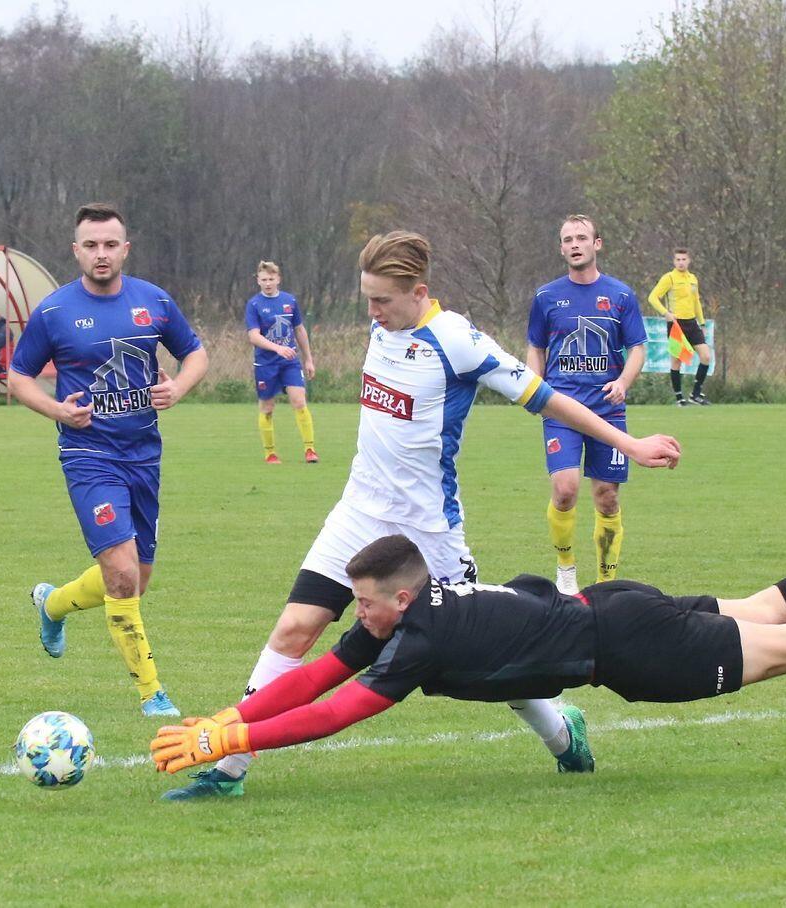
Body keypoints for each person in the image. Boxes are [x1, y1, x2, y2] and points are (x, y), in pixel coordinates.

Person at [159, 229, 681, 800]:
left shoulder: (457, 341)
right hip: (358, 512)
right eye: (368, 299)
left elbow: (547, 398)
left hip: (429, 532)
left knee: (488, 653)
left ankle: (562, 734)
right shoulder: (381, 328)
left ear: (419, 292)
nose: (373, 312)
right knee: (294, 629)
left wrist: (628, 445)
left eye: (382, 299)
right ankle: (229, 768)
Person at [150, 538, 786, 777]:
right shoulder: (409, 612)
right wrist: (230, 716)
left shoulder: (418, 638)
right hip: (610, 605)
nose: (356, 613)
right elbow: (318, 676)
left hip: (629, 646)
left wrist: (237, 743)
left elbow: (338, 713)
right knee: (761, 608)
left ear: (401, 599)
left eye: (364, 602)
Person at [8, 203, 209, 717]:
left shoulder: (154, 301)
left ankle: (52, 603)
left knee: (137, 579)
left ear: (125, 249)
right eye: (91, 245)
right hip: (89, 456)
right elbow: (18, 375)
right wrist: (58, 410)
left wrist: (178, 388)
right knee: (120, 575)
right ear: (76, 250)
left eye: (110, 244)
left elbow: (195, 353)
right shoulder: (54, 311)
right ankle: (152, 693)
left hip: (144, 456)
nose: (101, 253)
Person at [527, 215, 647, 595]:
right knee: (565, 489)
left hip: (607, 409)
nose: (574, 244)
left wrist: (623, 382)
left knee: (607, 497)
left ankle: (606, 585)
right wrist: (534, 388)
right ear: (561, 248)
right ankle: (566, 571)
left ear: (597, 243)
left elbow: (638, 348)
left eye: (581, 237)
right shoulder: (546, 297)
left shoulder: (621, 295)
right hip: (561, 408)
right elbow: (536, 347)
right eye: (567, 239)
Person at [244, 261, 318, 464]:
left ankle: (310, 450)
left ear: (278, 279)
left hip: (290, 362)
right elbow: (253, 336)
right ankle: (270, 453)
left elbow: (299, 330)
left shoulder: (289, 301)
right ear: (258, 281)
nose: (268, 283)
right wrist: (277, 348)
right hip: (265, 364)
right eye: (264, 279)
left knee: (299, 402)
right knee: (267, 408)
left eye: (271, 279)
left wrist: (308, 359)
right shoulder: (254, 305)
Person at [648, 248, 713, 406]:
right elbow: (653, 297)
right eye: (678, 259)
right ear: (674, 261)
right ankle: (679, 398)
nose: (681, 262)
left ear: (689, 261)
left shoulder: (692, 279)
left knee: (706, 356)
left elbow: (696, 302)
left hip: (692, 323)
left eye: (684, 259)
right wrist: (666, 313)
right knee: (677, 361)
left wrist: (702, 322)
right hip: (676, 324)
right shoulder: (669, 278)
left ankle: (695, 394)